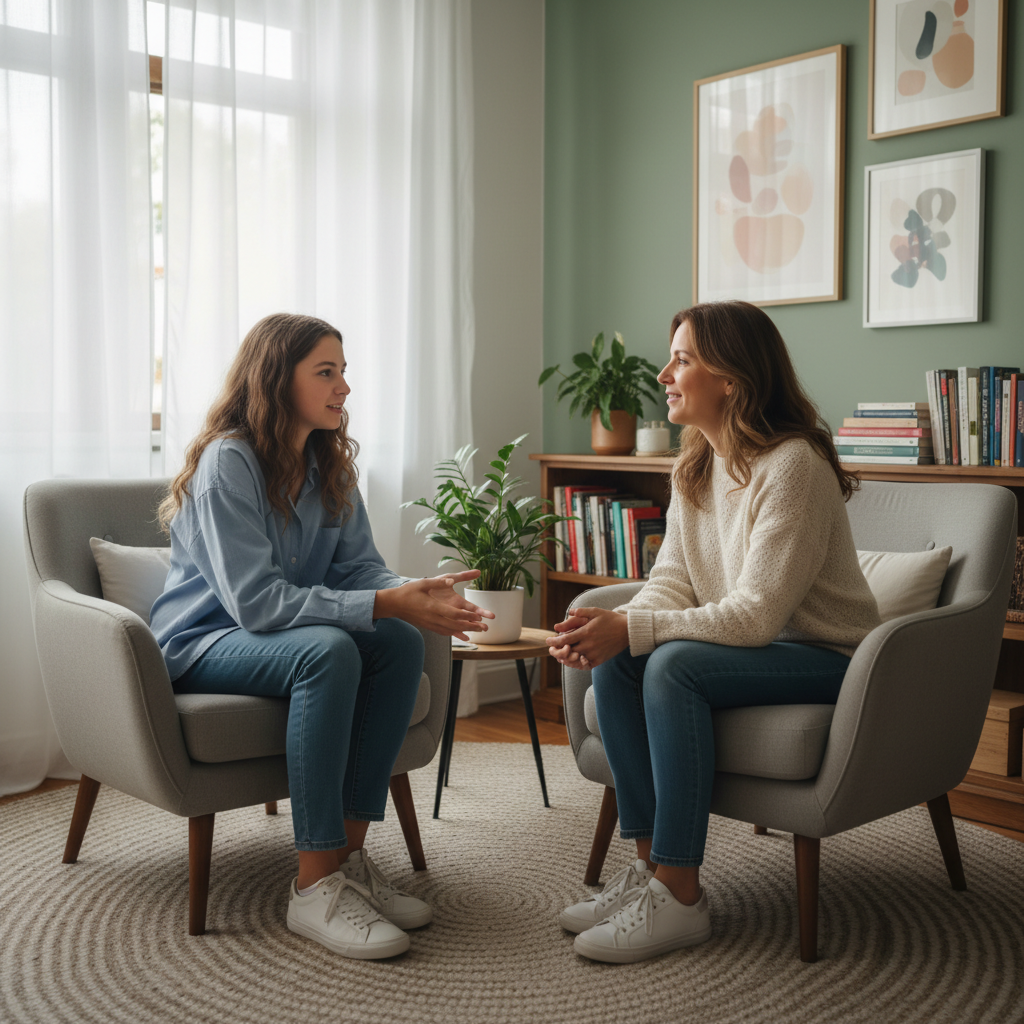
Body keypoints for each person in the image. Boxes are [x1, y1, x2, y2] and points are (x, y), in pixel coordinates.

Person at [150, 312, 494, 960]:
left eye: (344, 372)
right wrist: (383, 600)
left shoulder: (326, 461)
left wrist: (411, 593)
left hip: (270, 633)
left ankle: (348, 858)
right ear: (279, 380)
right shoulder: (229, 463)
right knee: (328, 650)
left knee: (398, 641)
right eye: (327, 372)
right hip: (205, 642)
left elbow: (359, 567)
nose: (344, 387)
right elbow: (255, 604)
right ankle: (312, 886)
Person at [547, 300, 881, 964]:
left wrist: (636, 628)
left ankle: (681, 893)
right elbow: (673, 581)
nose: (666, 372)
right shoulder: (695, 466)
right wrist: (614, 626)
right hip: (760, 650)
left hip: (827, 653)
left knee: (670, 664)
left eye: (683, 358)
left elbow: (758, 614)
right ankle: (652, 876)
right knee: (620, 660)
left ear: (730, 377)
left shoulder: (793, 466)